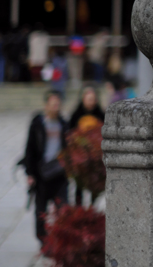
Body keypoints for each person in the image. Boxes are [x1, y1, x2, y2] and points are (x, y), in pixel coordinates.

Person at [22, 90, 69, 243]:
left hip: (60, 173)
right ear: (46, 105)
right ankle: (43, 240)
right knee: (41, 211)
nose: (56, 106)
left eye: (58, 104)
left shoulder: (63, 124)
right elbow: (30, 149)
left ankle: (60, 241)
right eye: (53, 103)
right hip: (41, 174)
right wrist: (30, 173)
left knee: (63, 209)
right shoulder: (37, 124)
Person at [68, 86, 104, 205]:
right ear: (83, 99)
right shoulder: (76, 115)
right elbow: (70, 134)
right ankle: (78, 209)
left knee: (95, 185)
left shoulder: (101, 114)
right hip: (80, 157)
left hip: (96, 158)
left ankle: (92, 210)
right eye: (88, 99)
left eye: (92, 99)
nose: (90, 101)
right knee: (79, 185)